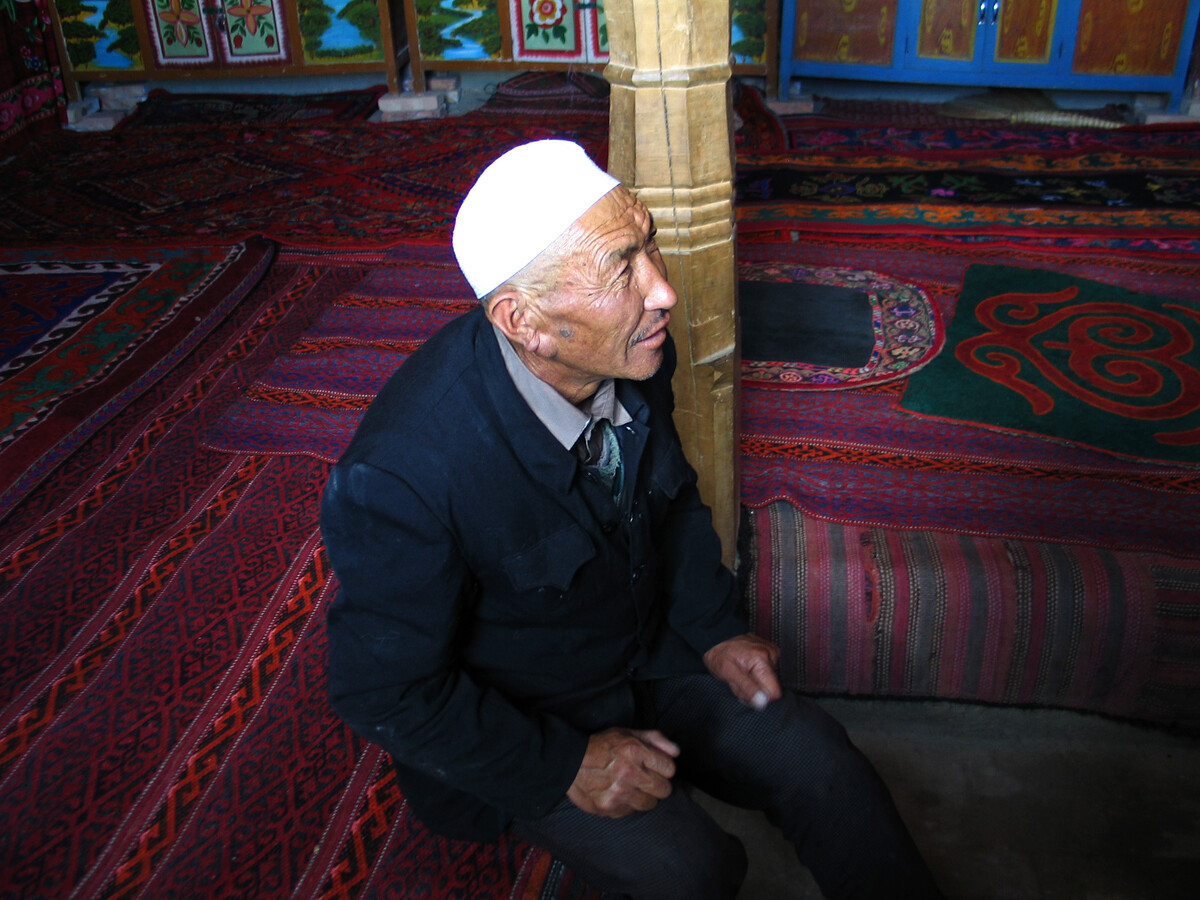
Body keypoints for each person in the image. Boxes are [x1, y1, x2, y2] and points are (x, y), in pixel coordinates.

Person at [321, 140, 941, 899]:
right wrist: (564, 765)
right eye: (623, 265)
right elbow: (382, 690)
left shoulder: (634, 348)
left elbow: (670, 498)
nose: (664, 290)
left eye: (648, 242)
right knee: (691, 869)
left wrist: (712, 627)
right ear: (526, 322)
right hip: (536, 713)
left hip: (651, 651)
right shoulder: (403, 475)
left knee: (822, 764)